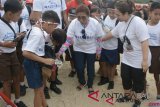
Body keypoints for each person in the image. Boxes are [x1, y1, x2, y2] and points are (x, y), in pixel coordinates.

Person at [101, 0, 151, 107]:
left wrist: (145, 61)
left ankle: (137, 100)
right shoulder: (121, 23)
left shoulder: (138, 22)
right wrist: (101, 39)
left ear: (126, 13)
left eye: (118, 14)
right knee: (125, 78)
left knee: (138, 81)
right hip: (127, 57)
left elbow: (145, 41)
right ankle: (127, 96)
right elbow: (112, 33)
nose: (116, 16)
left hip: (139, 58)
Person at [57, 4, 104, 94]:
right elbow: (69, 40)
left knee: (90, 68)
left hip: (91, 49)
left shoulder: (95, 23)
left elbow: (99, 38)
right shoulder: (74, 23)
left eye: (84, 17)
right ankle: (82, 82)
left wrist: (98, 51)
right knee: (79, 67)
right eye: (79, 17)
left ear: (88, 15)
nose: (81, 20)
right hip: (78, 48)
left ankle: (90, 84)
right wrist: (61, 51)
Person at [30, 0, 68, 95]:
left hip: (52, 49)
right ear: (52, 38)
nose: (57, 44)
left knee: (56, 65)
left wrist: (58, 54)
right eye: (56, 43)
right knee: (45, 70)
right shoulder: (43, 35)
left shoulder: (57, 34)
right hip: (44, 51)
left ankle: (53, 83)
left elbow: (63, 11)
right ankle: (45, 87)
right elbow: (36, 16)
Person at [22, 10, 60, 107]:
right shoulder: (37, 34)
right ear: (48, 24)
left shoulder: (39, 29)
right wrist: (44, 60)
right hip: (31, 63)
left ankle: (45, 105)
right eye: (54, 27)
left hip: (34, 62)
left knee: (40, 88)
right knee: (38, 92)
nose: (54, 29)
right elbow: (26, 53)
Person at [0, 0, 27, 107]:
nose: (19, 17)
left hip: (13, 53)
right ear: (10, 14)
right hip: (3, 56)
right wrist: (3, 44)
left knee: (16, 77)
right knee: (6, 81)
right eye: (18, 14)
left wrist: (19, 35)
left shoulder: (14, 22)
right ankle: (8, 104)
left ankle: (17, 100)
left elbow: (15, 34)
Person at [147, 2, 160, 100]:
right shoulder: (144, 25)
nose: (158, 17)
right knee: (142, 73)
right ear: (150, 13)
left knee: (157, 75)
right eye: (156, 14)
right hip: (146, 50)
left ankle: (158, 93)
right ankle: (143, 92)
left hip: (157, 51)